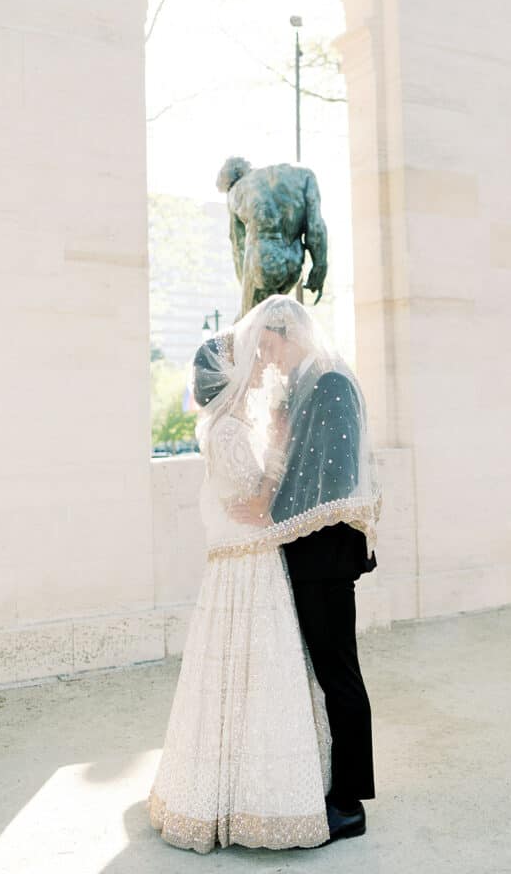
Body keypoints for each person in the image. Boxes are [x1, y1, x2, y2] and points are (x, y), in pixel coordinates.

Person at [147, 295, 381, 852]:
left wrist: (271, 502)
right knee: (319, 674)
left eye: (267, 346)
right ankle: (325, 786)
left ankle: (349, 802)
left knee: (337, 673)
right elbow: (287, 468)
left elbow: (333, 473)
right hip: (295, 555)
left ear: (284, 331)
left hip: (324, 556)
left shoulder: (329, 382)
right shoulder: (300, 385)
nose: (265, 359)